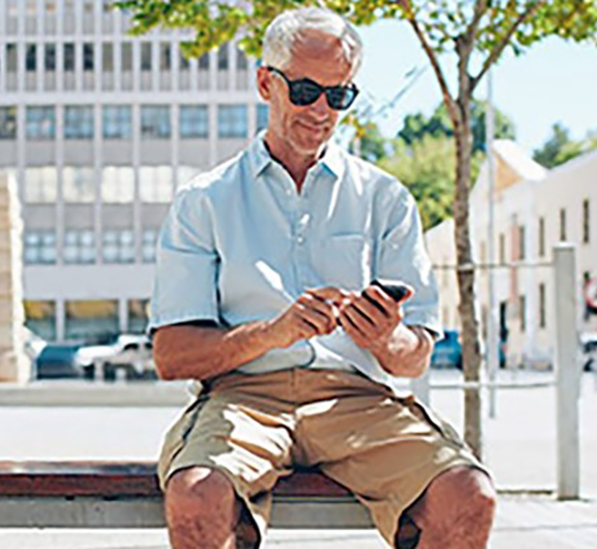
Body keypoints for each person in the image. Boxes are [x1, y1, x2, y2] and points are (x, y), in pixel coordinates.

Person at [148, 7, 495, 549]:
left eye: (339, 96)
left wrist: (385, 336)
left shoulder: (385, 199)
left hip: (358, 401)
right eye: (306, 90)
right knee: (197, 497)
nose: (321, 111)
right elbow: (171, 356)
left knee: (468, 495)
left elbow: (414, 358)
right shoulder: (205, 201)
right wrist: (273, 333)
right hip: (242, 398)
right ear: (266, 82)